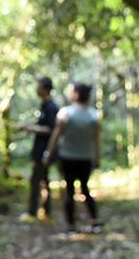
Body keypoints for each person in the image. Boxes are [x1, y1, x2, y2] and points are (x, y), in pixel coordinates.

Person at [43, 82, 102, 233]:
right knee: (85, 189)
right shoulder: (94, 115)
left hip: (68, 157)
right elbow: (96, 140)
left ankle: (71, 226)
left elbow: (56, 136)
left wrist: (48, 153)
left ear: (76, 94)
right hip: (85, 157)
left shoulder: (65, 113)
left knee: (70, 191)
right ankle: (94, 222)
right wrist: (97, 158)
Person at [19, 77, 59, 221]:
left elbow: (52, 129)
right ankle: (45, 211)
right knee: (43, 180)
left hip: (44, 150)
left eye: (39, 86)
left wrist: (33, 128)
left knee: (36, 180)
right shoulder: (45, 105)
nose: (36, 89)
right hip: (41, 149)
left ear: (45, 88)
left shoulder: (50, 106)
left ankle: (32, 213)